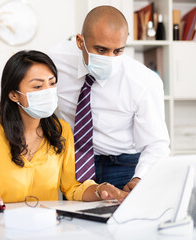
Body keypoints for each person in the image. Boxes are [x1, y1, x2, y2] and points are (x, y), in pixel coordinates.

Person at [0, 50, 128, 213]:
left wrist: (101, 190)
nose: (48, 92)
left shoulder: (62, 131)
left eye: (52, 83)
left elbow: (73, 187)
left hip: (44, 227)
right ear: (13, 94)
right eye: (37, 87)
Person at [49, 6, 170, 192]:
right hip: (74, 163)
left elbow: (156, 143)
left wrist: (139, 178)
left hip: (123, 166)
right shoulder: (55, 60)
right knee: (75, 219)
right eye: (101, 50)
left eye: (118, 51)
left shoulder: (144, 81)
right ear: (80, 42)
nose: (110, 58)